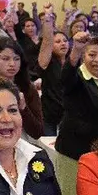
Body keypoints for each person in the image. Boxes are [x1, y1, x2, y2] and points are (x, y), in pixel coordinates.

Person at [56, 33, 98, 161]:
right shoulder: (77, 79)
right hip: (75, 153)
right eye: (92, 55)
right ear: (84, 57)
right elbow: (66, 77)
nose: (97, 60)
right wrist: (76, 50)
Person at [0, 36, 44, 139]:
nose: (12, 64)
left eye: (16, 59)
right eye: (5, 59)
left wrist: (23, 109)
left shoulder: (28, 89)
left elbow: (37, 132)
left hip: (19, 143)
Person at [36, 7, 69, 136]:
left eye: (65, 41)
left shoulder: (72, 63)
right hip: (50, 116)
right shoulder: (48, 63)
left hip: (68, 116)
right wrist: (48, 18)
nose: (63, 44)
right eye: (58, 41)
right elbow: (47, 41)